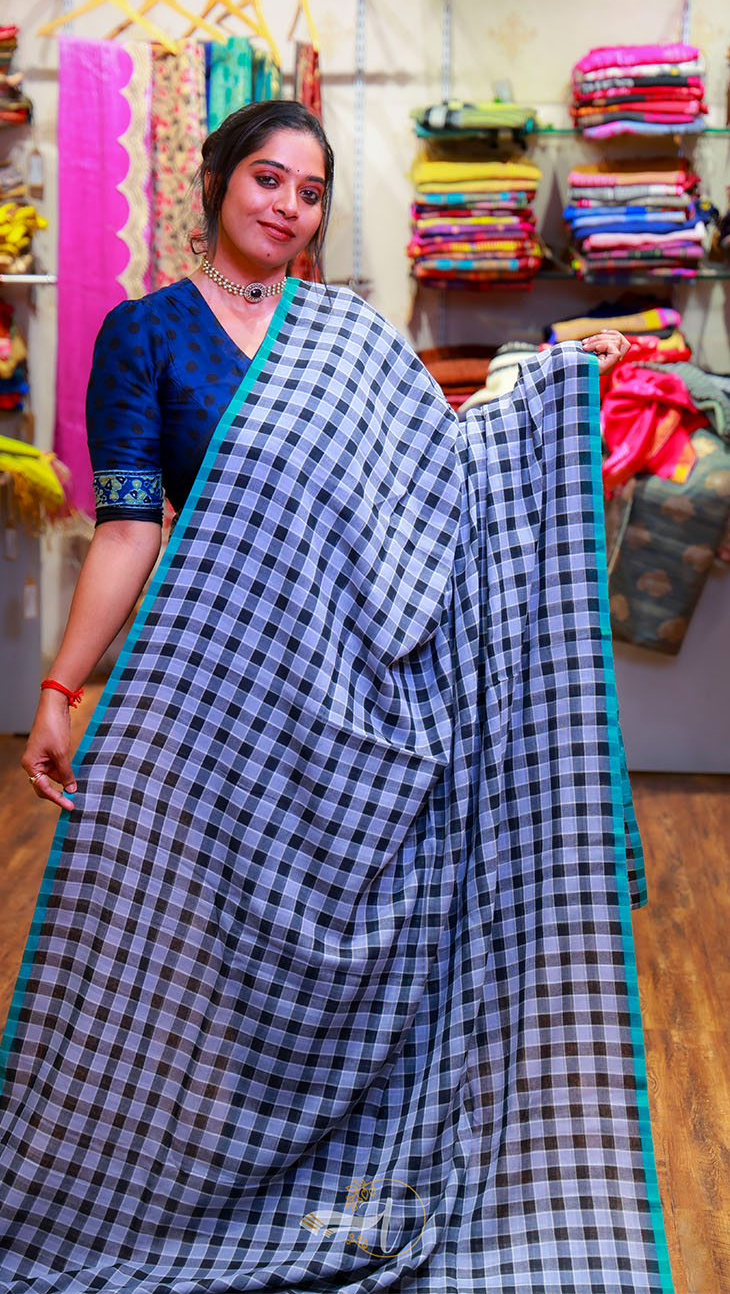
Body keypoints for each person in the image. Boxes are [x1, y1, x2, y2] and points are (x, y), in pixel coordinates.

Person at [0, 101, 669, 1294]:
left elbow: (450, 468)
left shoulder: (345, 334)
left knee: (362, 959)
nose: (288, 208)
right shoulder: (143, 335)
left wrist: (564, 382)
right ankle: (235, 1173)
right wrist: (61, 684)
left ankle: (348, 1174)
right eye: (268, 179)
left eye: (310, 193)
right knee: (231, 956)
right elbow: (128, 525)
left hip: (363, 696)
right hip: (223, 701)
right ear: (216, 179)